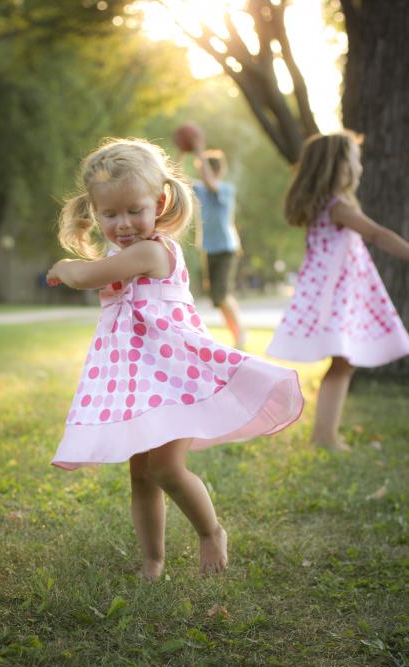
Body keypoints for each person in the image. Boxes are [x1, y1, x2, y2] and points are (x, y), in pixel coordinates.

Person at [46, 138, 303, 580]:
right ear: (94, 210)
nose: (123, 224)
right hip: (135, 382)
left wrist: (61, 268)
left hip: (171, 379)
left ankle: (210, 532)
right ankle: (153, 560)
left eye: (134, 209)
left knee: (165, 467)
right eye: (110, 214)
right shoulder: (121, 252)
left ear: (160, 201)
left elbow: (87, 277)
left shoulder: (152, 251)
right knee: (141, 475)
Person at [267, 130, 409, 451]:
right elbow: (376, 233)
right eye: (355, 161)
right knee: (343, 362)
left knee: (344, 363)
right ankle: (325, 436)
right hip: (335, 295)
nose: (360, 168)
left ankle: (326, 434)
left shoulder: (323, 207)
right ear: (340, 167)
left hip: (330, 292)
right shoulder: (337, 207)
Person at [192, 144, 247, 349]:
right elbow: (176, 179)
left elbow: (211, 183)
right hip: (209, 248)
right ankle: (237, 335)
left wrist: (199, 151)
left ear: (215, 171)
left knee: (222, 294)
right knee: (216, 297)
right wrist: (181, 151)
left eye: (203, 168)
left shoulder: (225, 189)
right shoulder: (200, 189)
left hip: (226, 247)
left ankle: (241, 334)